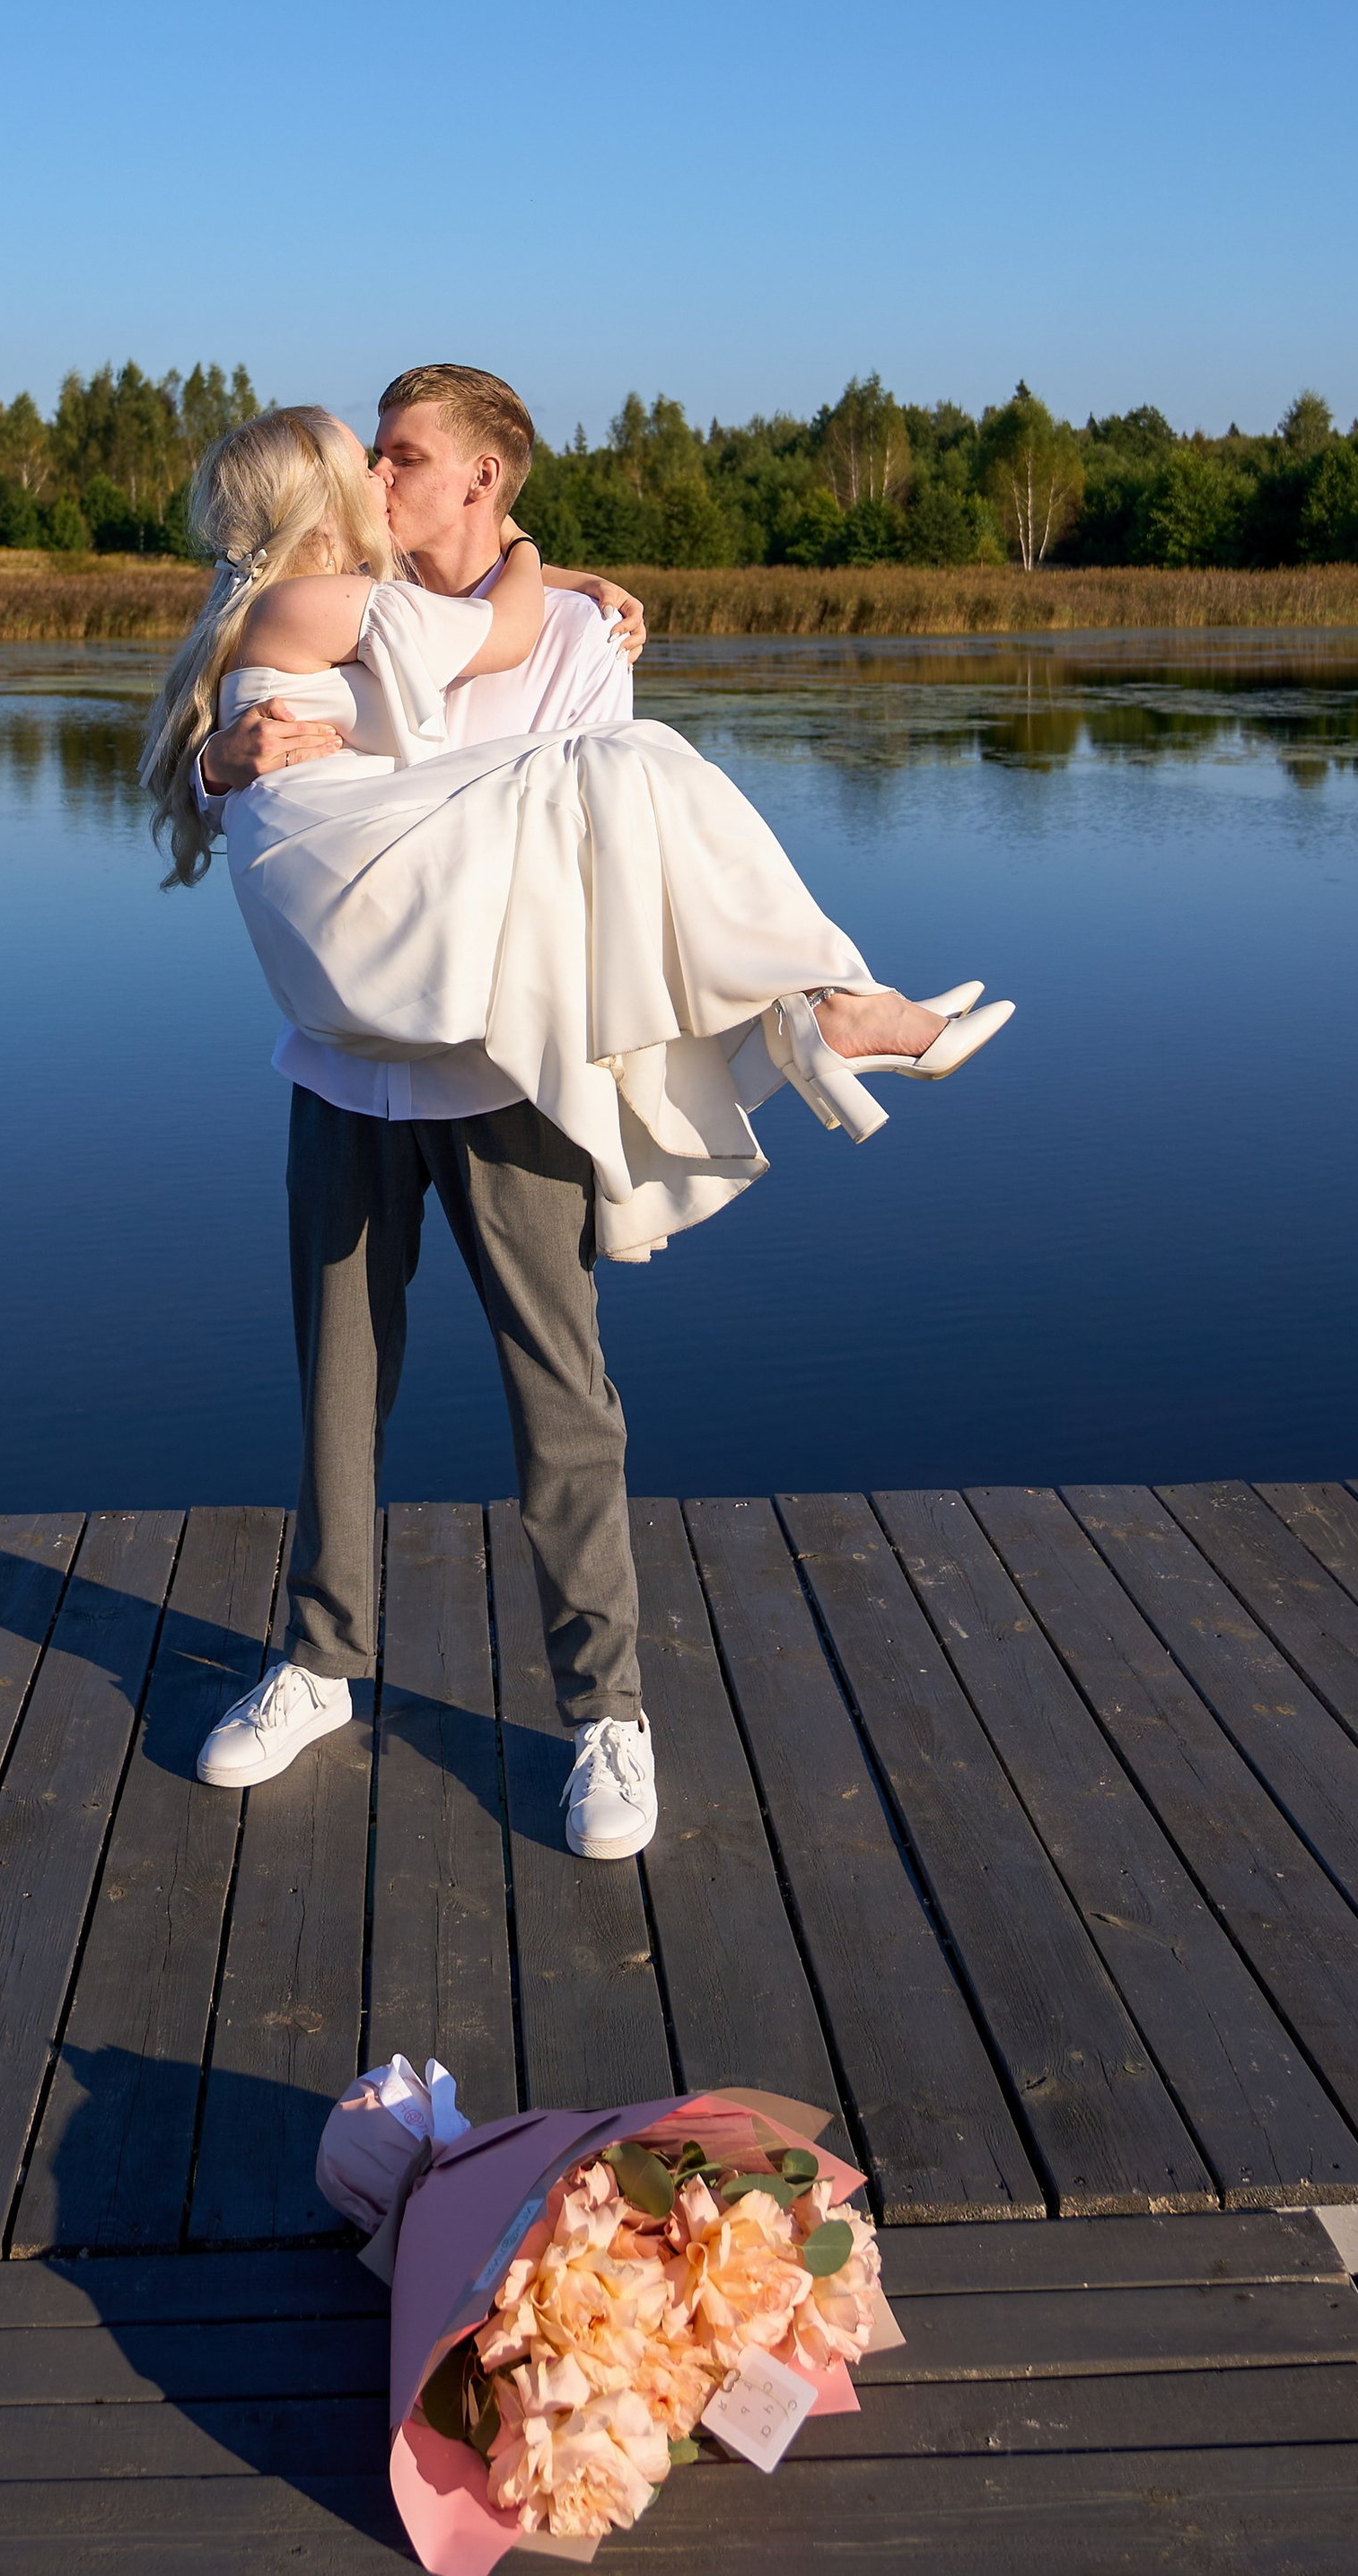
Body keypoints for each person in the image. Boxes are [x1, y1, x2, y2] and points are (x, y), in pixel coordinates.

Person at [140, 371, 1011, 1863]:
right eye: (370, 458)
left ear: (483, 479)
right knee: (338, 1380)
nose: (380, 479)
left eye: (405, 457)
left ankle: (606, 1709)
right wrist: (222, 759)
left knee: (561, 1389)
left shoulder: (573, 642)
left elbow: (571, 848)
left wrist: (554, 590)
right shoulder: (344, 601)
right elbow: (262, 778)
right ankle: (321, 1662)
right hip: (345, 1062)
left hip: (508, 1066)